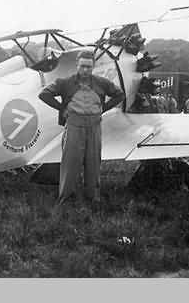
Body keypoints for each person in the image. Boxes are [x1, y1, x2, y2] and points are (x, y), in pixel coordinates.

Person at [38, 50, 124, 204]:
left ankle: (92, 197)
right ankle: (66, 197)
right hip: (74, 125)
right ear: (77, 66)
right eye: (82, 66)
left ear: (93, 67)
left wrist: (103, 108)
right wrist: (62, 109)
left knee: (93, 162)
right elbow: (44, 94)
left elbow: (119, 94)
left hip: (94, 126)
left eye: (89, 67)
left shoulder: (102, 82)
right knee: (70, 162)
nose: (85, 70)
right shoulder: (65, 82)